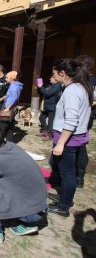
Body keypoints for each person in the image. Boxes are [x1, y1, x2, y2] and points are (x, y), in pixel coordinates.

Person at [47, 58, 92, 217]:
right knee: (60, 167)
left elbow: (71, 119)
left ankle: (64, 206)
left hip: (68, 139)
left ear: (62, 73)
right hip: (74, 137)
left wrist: (60, 144)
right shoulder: (80, 87)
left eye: (54, 73)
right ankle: (64, 196)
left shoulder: (73, 90)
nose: (52, 76)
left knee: (68, 173)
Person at [73, 55, 95, 188]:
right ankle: (78, 175)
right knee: (80, 146)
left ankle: (78, 176)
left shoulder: (88, 82)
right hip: (87, 116)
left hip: (84, 117)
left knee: (79, 146)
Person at [0, 71, 23, 142]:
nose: (5, 79)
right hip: (9, 107)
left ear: (12, 78)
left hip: (9, 108)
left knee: (1, 126)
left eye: (7, 77)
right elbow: (9, 95)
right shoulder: (13, 85)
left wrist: (8, 108)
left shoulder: (14, 86)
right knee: (9, 127)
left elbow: (14, 98)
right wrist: (1, 99)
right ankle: (9, 142)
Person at [37, 75, 63, 141]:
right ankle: (45, 131)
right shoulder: (51, 85)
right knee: (41, 118)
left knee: (51, 122)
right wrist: (40, 87)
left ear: (55, 79)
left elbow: (47, 93)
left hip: (52, 106)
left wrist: (41, 87)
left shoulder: (58, 86)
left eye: (52, 77)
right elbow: (43, 92)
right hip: (47, 106)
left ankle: (49, 135)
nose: (50, 78)